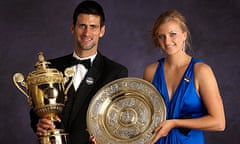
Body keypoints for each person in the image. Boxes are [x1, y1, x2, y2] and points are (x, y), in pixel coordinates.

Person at [29, 1, 128, 144]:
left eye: (93, 27)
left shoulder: (116, 72)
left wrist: (107, 139)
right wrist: (39, 123)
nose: (87, 33)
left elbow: (119, 120)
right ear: (72, 28)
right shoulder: (51, 68)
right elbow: (36, 110)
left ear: (102, 31)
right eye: (82, 26)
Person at [143, 10, 225, 144]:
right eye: (161, 36)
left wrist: (174, 123)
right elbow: (144, 117)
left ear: (184, 35)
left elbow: (219, 122)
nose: (167, 41)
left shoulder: (201, 71)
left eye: (172, 34)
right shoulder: (151, 71)